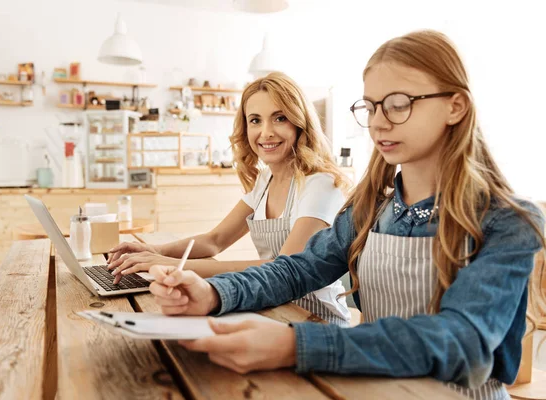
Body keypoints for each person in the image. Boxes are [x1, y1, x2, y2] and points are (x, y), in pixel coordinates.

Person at [146, 30, 546, 399]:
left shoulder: (507, 222)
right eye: (371, 106)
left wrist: (294, 344)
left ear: (455, 106)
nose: (377, 121)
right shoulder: (370, 207)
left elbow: (461, 341)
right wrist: (214, 292)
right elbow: (296, 269)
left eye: (398, 104)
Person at [108, 72, 351, 325]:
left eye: (279, 118)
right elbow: (215, 240)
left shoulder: (320, 184)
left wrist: (169, 264)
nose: (266, 132)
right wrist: (153, 251)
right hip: (270, 307)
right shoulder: (264, 181)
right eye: (255, 120)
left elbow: (282, 270)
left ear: (300, 123)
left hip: (315, 321)